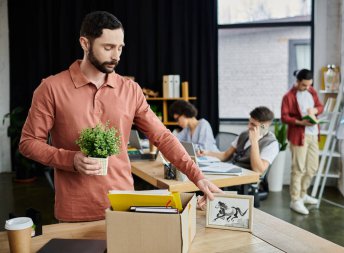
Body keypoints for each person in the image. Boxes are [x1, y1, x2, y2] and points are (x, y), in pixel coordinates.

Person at [19, 11, 221, 222]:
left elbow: (162, 136)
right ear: (85, 43)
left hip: (124, 205)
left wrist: (198, 177)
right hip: (75, 210)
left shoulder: (130, 89)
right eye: (108, 48)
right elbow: (28, 142)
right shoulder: (51, 88)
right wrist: (71, 159)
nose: (116, 56)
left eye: (120, 48)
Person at [281, 69, 324, 215]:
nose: (307, 88)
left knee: (312, 167)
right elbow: (284, 117)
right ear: (298, 82)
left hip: (314, 135)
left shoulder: (312, 92)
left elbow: (320, 107)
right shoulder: (289, 96)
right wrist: (300, 122)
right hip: (299, 135)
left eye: (309, 85)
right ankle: (295, 200)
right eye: (304, 85)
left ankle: (303, 194)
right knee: (298, 168)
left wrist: (314, 111)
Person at [201, 106, 279, 175]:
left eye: (253, 124)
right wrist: (206, 153)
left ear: (264, 127)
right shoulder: (244, 134)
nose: (248, 126)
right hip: (230, 171)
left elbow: (258, 170)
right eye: (249, 122)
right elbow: (225, 155)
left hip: (246, 179)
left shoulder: (271, 143)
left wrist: (254, 142)